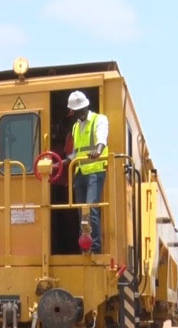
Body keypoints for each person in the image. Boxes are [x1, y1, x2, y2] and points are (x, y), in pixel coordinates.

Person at [66, 91, 109, 253]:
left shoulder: (100, 120)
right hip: (80, 172)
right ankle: (84, 247)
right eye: (77, 112)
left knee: (90, 209)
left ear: (86, 107)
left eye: (81, 110)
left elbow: (101, 139)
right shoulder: (76, 126)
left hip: (95, 171)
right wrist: (60, 163)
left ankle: (95, 247)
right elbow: (76, 152)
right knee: (81, 212)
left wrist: (98, 151)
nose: (79, 114)